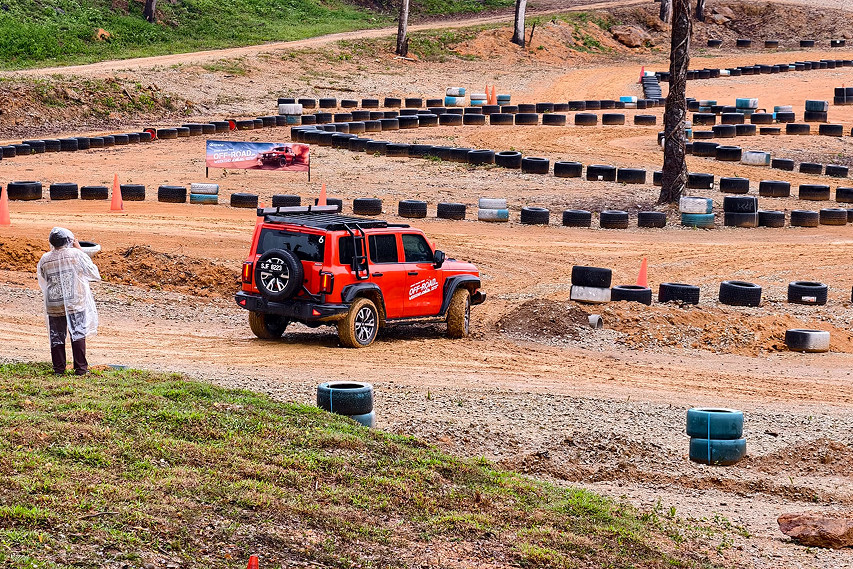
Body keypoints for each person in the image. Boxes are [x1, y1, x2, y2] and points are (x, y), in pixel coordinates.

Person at [36, 227, 101, 375]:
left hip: (53, 303)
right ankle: (81, 369)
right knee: (77, 333)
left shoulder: (45, 258)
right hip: (74, 302)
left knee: (56, 335)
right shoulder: (76, 255)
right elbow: (93, 273)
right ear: (69, 240)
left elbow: (44, 279)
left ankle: (59, 369)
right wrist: (79, 249)